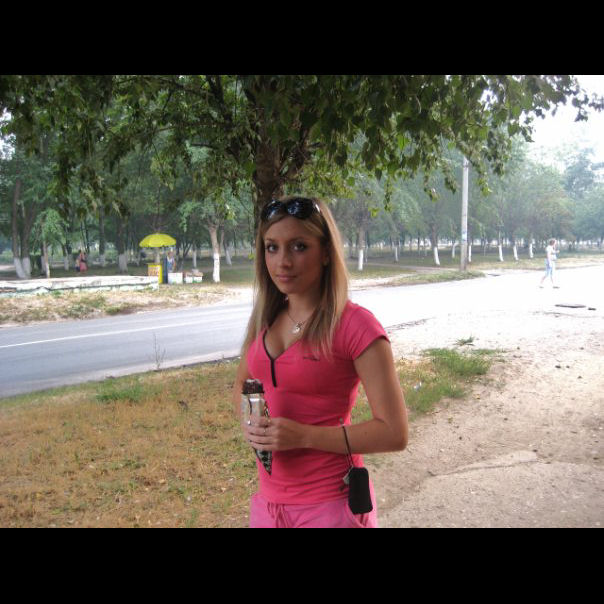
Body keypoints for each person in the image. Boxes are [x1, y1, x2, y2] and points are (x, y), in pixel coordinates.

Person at [232, 196, 408, 528]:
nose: (283, 262)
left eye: (299, 246)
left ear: (326, 252)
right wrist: (251, 423)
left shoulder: (355, 326)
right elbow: (244, 381)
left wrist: (304, 436)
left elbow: (394, 433)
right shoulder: (265, 320)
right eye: (272, 247)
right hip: (269, 507)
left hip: (331, 506)